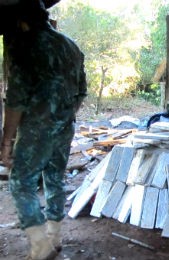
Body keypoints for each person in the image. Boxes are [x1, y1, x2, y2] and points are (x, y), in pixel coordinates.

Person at [0, 0, 87, 259]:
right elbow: (81, 91)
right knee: (54, 179)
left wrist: (6, 142)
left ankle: (39, 244)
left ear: (21, 22)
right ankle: (54, 236)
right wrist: (65, 115)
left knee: (20, 182)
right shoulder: (70, 45)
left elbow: (15, 100)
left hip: (37, 128)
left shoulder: (22, 45)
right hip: (65, 125)